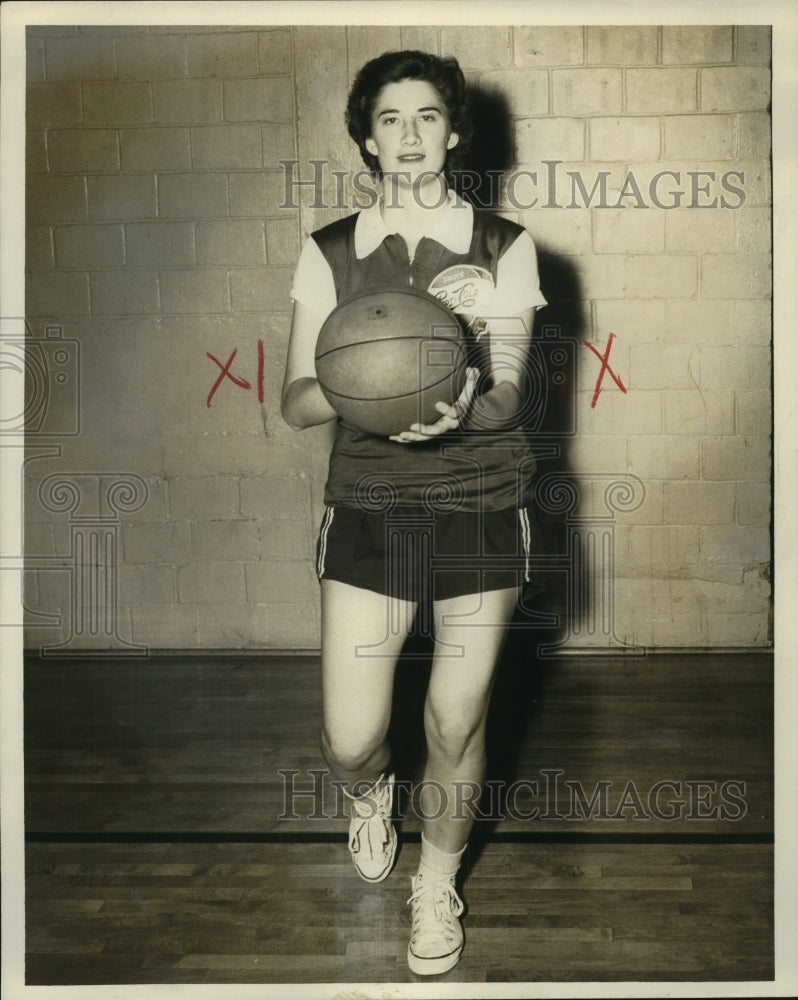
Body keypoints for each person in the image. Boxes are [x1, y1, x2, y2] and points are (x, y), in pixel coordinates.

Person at [281, 49, 546, 977]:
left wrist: (459, 388)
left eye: (427, 116)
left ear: (455, 131)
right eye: (390, 119)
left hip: (481, 495)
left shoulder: (504, 245)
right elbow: (297, 400)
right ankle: (370, 796)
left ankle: (436, 881)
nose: (409, 136)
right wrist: (370, 390)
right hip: (368, 501)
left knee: (455, 719)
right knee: (354, 737)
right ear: (365, 137)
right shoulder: (329, 249)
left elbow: (511, 395)